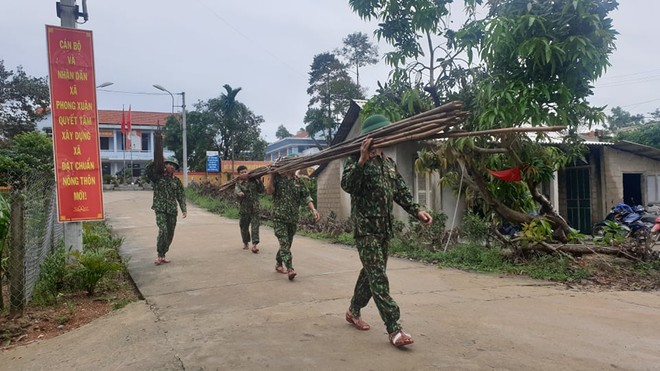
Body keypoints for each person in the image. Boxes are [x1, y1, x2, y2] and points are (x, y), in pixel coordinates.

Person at [341, 114, 433, 348]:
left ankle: (353, 310)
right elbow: (348, 185)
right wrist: (362, 161)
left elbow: (400, 192)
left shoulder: (389, 163)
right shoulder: (355, 159)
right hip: (366, 230)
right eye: (381, 134)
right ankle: (394, 328)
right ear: (370, 137)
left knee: (371, 273)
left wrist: (417, 211)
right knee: (379, 277)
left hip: (384, 229)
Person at [265, 169, 320, 280]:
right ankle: (290, 268)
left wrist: (313, 210)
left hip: (293, 218)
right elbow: (269, 191)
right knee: (284, 243)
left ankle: (278, 263)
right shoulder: (277, 179)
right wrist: (271, 176)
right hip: (279, 217)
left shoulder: (298, 181)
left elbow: (306, 196)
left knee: (287, 243)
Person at [145, 156, 187, 265]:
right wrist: (154, 161)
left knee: (170, 233)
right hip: (160, 209)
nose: (172, 166)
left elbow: (181, 195)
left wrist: (184, 209)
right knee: (163, 230)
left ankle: (164, 254)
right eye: (169, 164)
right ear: (165, 165)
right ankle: (159, 254)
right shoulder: (157, 177)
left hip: (172, 210)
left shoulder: (176, 181)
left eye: (174, 166)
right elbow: (147, 172)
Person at [234, 165, 264, 253]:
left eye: (245, 172)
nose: (244, 174)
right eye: (242, 172)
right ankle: (245, 242)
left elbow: (261, 191)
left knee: (255, 226)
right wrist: (239, 193)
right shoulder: (238, 183)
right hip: (244, 208)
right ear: (239, 174)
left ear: (248, 172)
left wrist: (259, 181)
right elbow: (236, 190)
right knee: (244, 226)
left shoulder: (254, 181)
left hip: (255, 208)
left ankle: (254, 245)